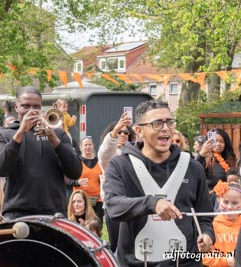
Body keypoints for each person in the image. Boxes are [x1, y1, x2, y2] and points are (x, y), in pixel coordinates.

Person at [105, 100, 214, 266]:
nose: (165, 128)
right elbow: (113, 206)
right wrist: (151, 203)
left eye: (169, 122)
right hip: (136, 262)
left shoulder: (193, 167)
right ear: (139, 131)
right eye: (156, 123)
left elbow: (204, 216)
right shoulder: (120, 165)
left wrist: (207, 235)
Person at [0, 86, 82, 219]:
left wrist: (55, 141)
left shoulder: (58, 134)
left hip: (54, 212)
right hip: (17, 212)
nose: (31, 111)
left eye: (36, 107)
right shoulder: (4, 135)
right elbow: (0, 169)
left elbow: (75, 172)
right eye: (25, 106)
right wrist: (20, 133)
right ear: (16, 107)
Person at [97, 112, 135, 253]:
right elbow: (105, 153)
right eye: (120, 132)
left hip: (134, 203)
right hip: (115, 204)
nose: (123, 134)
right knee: (117, 245)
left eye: (126, 132)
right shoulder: (110, 155)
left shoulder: (135, 153)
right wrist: (115, 131)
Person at [203, 180, 241, 267]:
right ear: (219, 201)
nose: (229, 207)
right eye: (225, 202)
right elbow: (204, 257)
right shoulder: (212, 226)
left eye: (235, 203)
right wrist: (226, 261)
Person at [196, 128, 237, 206]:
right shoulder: (205, 159)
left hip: (228, 202)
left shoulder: (230, 160)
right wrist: (201, 154)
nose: (218, 144)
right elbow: (192, 170)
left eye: (222, 141)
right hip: (209, 201)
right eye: (216, 141)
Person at [72, 136, 104, 225]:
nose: (88, 147)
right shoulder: (77, 161)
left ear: (93, 146)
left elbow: (105, 177)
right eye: (85, 145)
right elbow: (67, 180)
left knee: (96, 225)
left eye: (89, 145)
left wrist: (102, 179)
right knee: (81, 226)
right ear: (81, 147)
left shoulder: (100, 161)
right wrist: (77, 182)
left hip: (97, 199)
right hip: (81, 199)